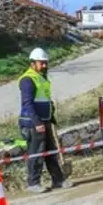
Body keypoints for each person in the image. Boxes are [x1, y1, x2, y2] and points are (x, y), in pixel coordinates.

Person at [18, 48, 70, 193]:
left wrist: (51, 116)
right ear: (33, 63)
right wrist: (37, 122)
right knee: (37, 153)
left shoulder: (42, 78)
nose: (44, 66)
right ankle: (33, 183)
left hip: (45, 120)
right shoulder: (28, 80)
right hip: (32, 123)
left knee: (51, 152)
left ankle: (58, 180)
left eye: (45, 63)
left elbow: (45, 99)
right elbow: (27, 104)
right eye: (41, 63)